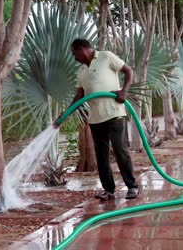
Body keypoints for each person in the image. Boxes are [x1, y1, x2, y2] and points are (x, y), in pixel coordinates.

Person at [55, 38, 139, 200]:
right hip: (95, 119)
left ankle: (132, 187)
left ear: (81, 49)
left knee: (120, 151)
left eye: (74, 53)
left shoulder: (106, 57)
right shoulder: (80, 72)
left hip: (114, 113)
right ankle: (108, 190)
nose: (74, 57)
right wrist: (65, 114)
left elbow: (128, 71)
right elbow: (78, 97)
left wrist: (124, 92)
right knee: (101, 156)